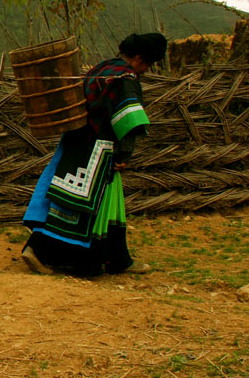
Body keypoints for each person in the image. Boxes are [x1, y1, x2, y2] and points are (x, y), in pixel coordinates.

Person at [21, 33, 167, 277]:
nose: (147, 70)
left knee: (73, 200)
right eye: (149, 64)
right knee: (79, 206)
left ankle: (117, 259)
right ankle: (39, 250)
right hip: (98, 151)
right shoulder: (126, 78)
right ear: (140, 58)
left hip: (74, 142)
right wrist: (124, 155)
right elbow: (128, 120)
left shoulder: (103, 68)